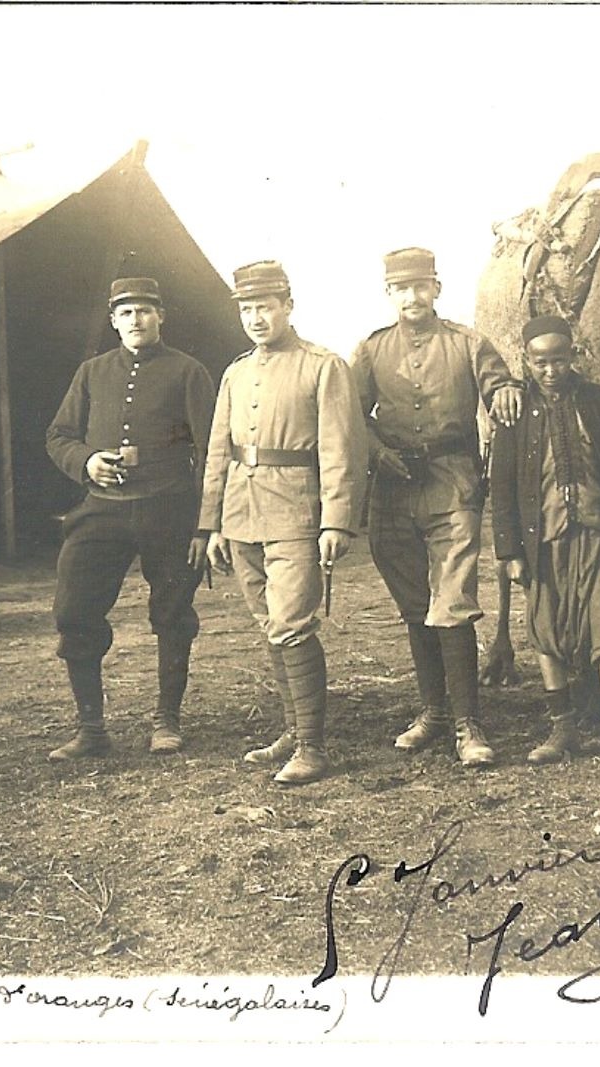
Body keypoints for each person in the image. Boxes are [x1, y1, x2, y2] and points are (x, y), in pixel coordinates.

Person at [350, 248, 522, 768]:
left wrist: (507, 391)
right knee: (413, 604)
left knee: (453, 599)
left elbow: (498, 382)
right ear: (389, 294)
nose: (412, 297)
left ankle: (469, 722)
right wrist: (379, 453)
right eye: (401, 288)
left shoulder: (468, 343)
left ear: (437, 289)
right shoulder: (371, 350)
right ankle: (433, 712)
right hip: (394, 489)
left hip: (453, 483)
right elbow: (351, 417)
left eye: (421, 286)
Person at [200, 261, 369, 785]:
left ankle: (314, 748)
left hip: (297, 512)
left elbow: (343, 448)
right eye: (247, 309)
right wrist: (212, 524)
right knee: (269, 623)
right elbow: (217, 451)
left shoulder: (324, 366)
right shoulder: (235, 372)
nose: (255, 318)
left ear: (287, 307)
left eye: (265, 307)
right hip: (241, 512)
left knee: (293, 623)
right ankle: (293, 732)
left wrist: (336, 521)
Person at [45, 277, 215, 758]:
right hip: (102, 510)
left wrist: (205, 523)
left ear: (161, 317)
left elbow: (210, 450)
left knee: (172, 614)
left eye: (144, 311)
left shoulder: (187, 371)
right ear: (113, 321)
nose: (136, 321)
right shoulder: (92, 372)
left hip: (170, 509)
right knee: (73, 610)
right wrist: (87, 462)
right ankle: (91, 728)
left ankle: (167, 720)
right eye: (125, 313)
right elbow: (58, 435)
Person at [489, 315, 600, 775]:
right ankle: (562, 728)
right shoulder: (514, 410)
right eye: (540, 361)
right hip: (540, 540)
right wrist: (510, 552)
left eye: (559, 359)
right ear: (526, 360)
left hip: (595, 530)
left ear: (573, 356)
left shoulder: (596, 402)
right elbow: (501, 487)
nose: (550, 370)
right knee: (547, 629)